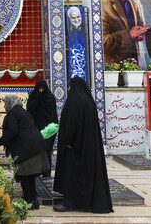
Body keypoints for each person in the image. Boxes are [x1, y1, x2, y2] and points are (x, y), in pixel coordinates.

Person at [54, 77, 113, 213]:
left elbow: (71, 124)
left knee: (71, 174)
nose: (68, 89)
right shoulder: (88, 101)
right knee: (85, 175)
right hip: (87, 147)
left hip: (74, 148)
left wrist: (67, 141)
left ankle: (69, 202)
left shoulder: (74, 101)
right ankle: (83, 200)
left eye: (69, 87)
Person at [0, 94, 49, 210]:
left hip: (27, 151)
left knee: (24, 176)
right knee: (30, 177)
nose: (3, 106)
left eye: (4, 103)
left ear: (9, 103)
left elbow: (12, 132)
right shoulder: (23, 112)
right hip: (36, 147)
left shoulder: (12, 113)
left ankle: (29, 202)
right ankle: (33, 202)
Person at [101, 0, 147, 65]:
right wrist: (129, 35)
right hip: (114, 68)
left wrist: (142, 33)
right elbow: (101, 41)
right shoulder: (101, 4)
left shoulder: (135, 2)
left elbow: (140, 29)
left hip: (136, 65)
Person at [26, 79, 58, 177]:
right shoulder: (33, 97)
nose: (40, 91)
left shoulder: (49, 97)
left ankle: (46, 172)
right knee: (36, 150)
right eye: (39, 89)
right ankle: (36, 171)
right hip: (36, 128)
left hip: (48, 130)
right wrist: (38, 98)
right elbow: (30, 110)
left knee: (46, 150)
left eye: (42, 89)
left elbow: (52, 114)